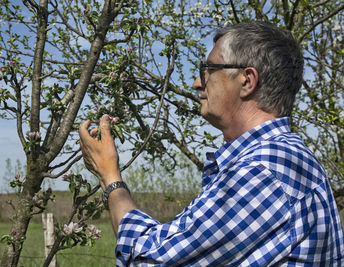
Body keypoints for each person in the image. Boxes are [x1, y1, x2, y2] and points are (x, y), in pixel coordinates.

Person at [79, 21, 344, 266]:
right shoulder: (281, 160)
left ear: (247, 81)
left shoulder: (265, 170)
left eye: (208, 70)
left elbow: (150, 260)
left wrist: (109, 175)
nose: (197, 83)